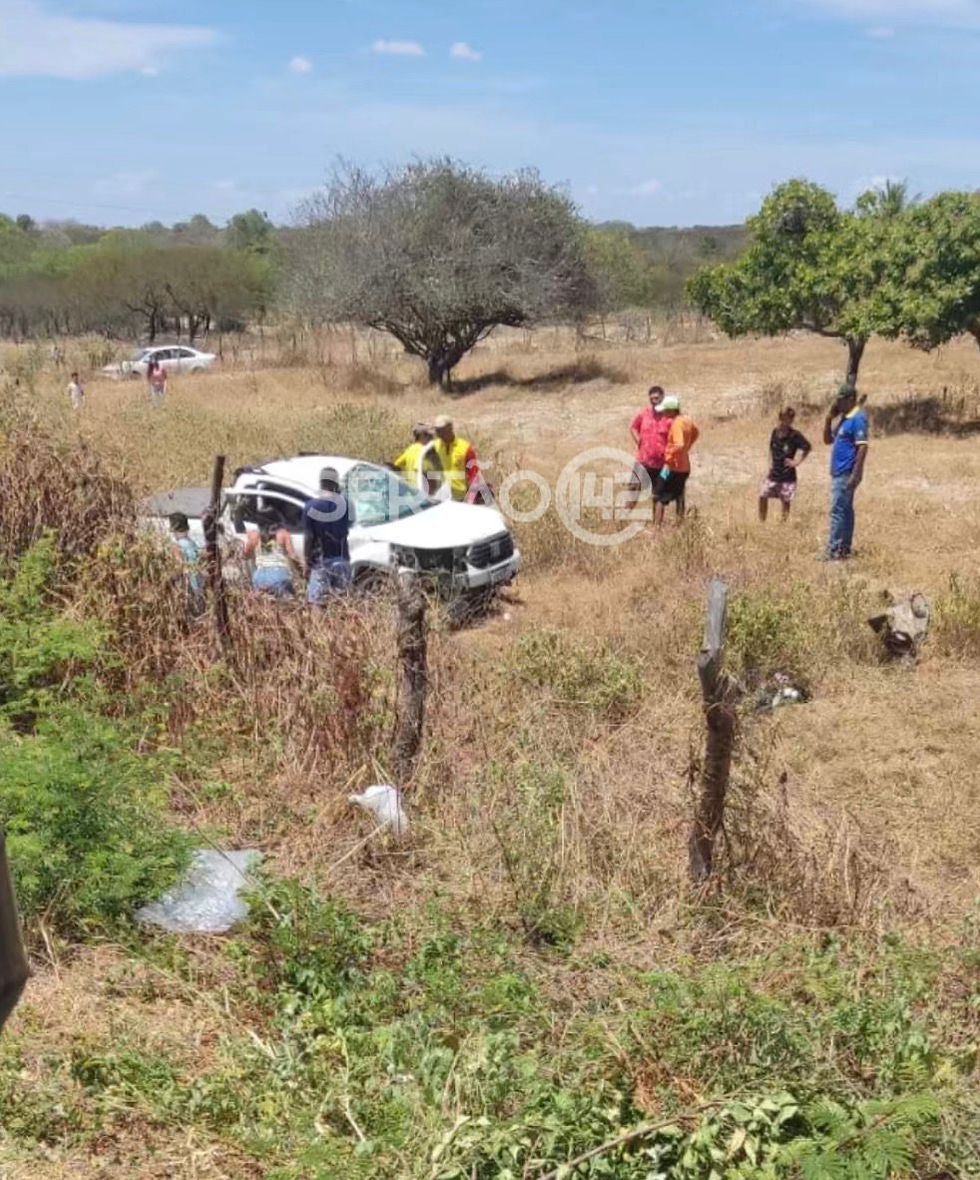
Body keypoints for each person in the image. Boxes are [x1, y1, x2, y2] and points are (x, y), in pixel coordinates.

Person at [822, 383, 869, 560]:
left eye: (840, 400)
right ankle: (843, 549)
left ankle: (834, 550)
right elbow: (827, 440)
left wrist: (856, 474)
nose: (837, 403)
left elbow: (863, 447)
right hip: (838, 472)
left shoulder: (858, 418)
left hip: (846, 472)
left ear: (850, 399)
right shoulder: (844, 418)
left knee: (837, 511)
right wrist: (828, 419)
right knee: (845, 510)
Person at [303, 467, 352, 603]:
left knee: (316, 602)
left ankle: (317, 625)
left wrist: (307, 563)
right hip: (341, 560)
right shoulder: (346, 505)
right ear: (336, 483)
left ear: (321, 483)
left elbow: (309, 538)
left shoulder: (310, 507)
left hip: (320, 563)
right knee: (342, 604)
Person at [759, 407, 811, 522]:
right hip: (774, 473)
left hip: (787, 475)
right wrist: (770, 462)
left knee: (785, 501)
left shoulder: (795, 435)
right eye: (785, 417)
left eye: (790, 417)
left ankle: (783, 524)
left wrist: (797, 461)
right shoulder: (775, 432)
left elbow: (807, 447)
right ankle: (762, 522)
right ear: (781, 417)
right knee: (763, 495)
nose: (788, 420)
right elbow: (770, 448)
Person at [653, 395, 699, 526]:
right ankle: (680, 525)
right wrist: (687, 447)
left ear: (672, 411)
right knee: (679, 495)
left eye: (665, 410)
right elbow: (696, 432)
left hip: (672, 467)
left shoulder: (677, 424)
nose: (663, 412)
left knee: (659, 495)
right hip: (684, 467)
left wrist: (669, 455)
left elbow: (678, 444)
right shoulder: (687, 420)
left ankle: (657, 527)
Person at [626, 384, 672, 511]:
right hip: (643, 460)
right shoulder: (644, 413)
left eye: (657, 398)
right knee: (633, 489)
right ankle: (623, 519)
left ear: (663, 398)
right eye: (652, 399)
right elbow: (633, 427)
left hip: (662, 463)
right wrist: (639, 442)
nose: (654, 401)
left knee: (659, 496)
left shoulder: (669, 417)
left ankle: (657, 527)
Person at [242, 511, 299, 598]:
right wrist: (301, 570)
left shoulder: (254, 536)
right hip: (279, 576)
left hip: (259, 576)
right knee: (286, 604)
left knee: (263, 605)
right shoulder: (283, 534)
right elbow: (293, 556)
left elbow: (245, 555)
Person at [432, 414, 487, 503]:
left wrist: (470, 500)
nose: (439, 434)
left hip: (460, 499)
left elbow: (474, 475)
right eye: (437, 431)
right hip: (439, 498)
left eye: (442, 430)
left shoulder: (465, 448)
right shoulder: (433, 447)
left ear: (450, 429)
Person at [393, 423, 443, 496]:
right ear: (421, 436)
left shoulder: (409, 450)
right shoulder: (425, 452)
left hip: (410, 494)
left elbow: (395, 466)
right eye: (428, 435)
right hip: (423, 495)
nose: (431, 438)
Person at [169, 512, 204, 613]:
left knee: (189, 614)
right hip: (198, 583)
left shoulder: (177, 546)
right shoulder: (192, 543)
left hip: (187, 586)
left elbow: (179, 566)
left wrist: (171, 579)